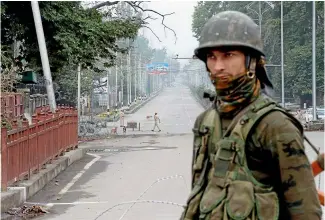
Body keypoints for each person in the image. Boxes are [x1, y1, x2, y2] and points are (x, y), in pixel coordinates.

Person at [180, 11, 322, 220]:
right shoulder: (206, 121)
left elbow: (305, 211)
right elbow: (200, 194)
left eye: (228, 55)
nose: (218, 66)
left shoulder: (275, 125)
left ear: (252, 62)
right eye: (212, 57)